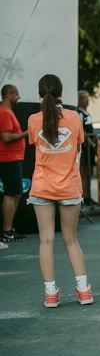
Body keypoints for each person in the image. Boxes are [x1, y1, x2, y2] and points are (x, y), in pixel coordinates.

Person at [27, 74, 93, 308]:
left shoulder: (33, 120)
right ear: (61, 93)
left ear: (40, 94)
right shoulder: (74, 117)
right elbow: (78, 146)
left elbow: (36, 144)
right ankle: (84, 291)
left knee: (46, 241)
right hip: (69, 187)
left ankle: (51, 295)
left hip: (42, 186)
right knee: (71, 240)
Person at [0, 84, 28, 247]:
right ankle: (7, 230)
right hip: (8, 159)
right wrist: (27, 133)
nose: (19, 97)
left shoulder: (7, 112)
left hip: (12, 158)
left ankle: (9, 229)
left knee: (15, 193)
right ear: (9, 95)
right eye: (17, 94)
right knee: (11, 194)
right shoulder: (4, 113)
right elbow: (6, 137)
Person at [76, 90, 95, 203]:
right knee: (84, 172)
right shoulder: (79, 113)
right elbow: (82, 130)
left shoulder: (87, 114)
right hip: (85, 146)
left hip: (90, 148)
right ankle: (82, 197)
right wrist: (91, 142)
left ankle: (88, 196)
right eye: (84, 98)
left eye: (88, 97)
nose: (87, 100)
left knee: (90, 172)